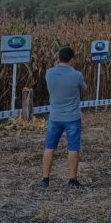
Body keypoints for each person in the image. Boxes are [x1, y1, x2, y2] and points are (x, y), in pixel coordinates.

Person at [40, 47, 87, 188]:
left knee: (49, 147)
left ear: (58, 58)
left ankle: (45, 179)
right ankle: (72, 179)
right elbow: (83, 89)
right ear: (72, 59)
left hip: (54, 117)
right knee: (73, 148)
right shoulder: (77, 75)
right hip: (72, 117)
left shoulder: (49, 73)